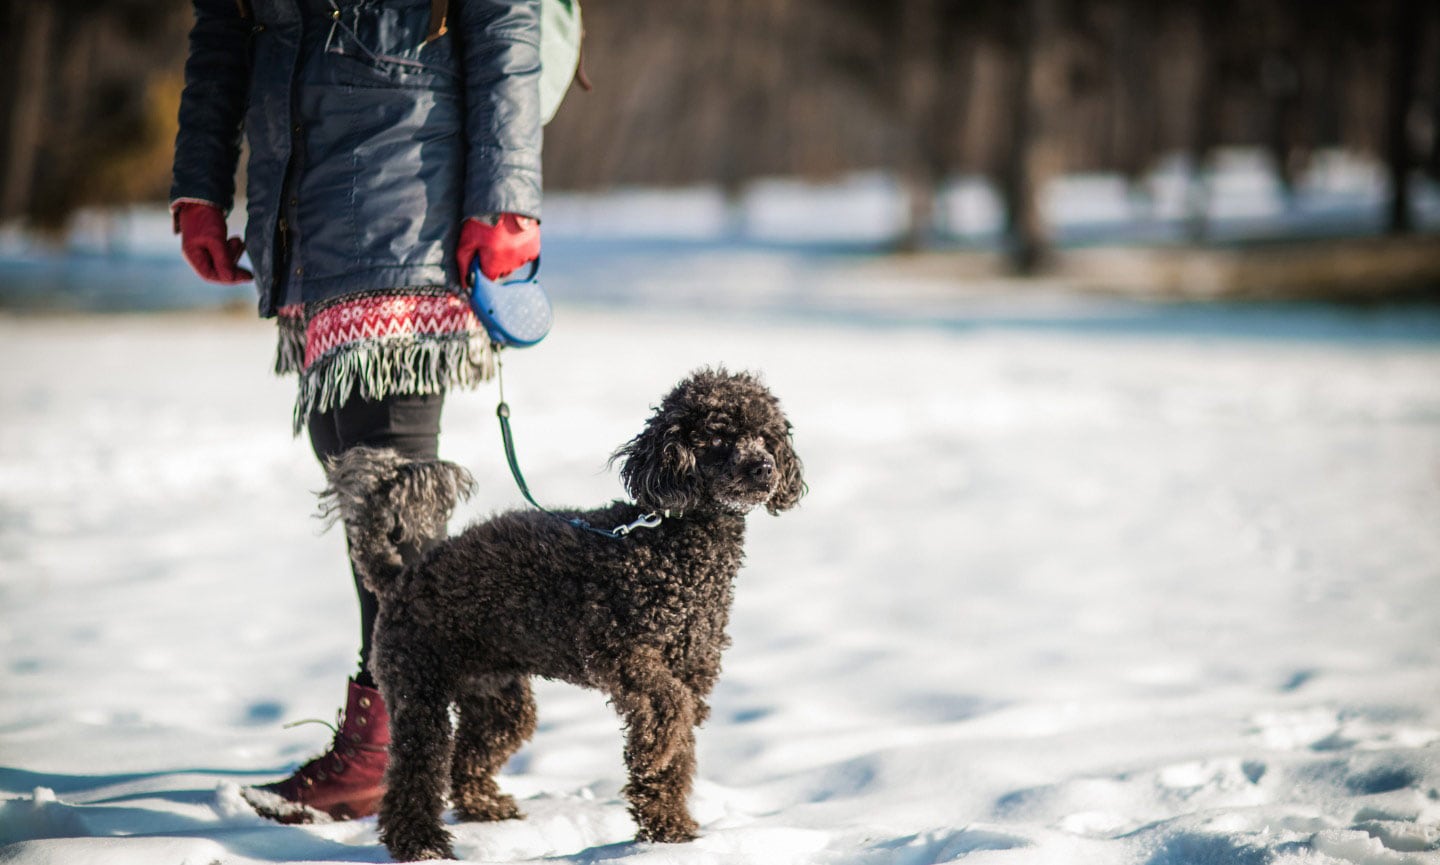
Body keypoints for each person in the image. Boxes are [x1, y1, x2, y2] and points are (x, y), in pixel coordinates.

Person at [170, 0, 543, 823]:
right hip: (299, 194)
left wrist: (508, 196)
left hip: (409, 190)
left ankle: (400, 744)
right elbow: (224, 26)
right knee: (353, 468)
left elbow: (507, 21)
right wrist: (199, 182)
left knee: (393, 494)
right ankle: (421, 726)